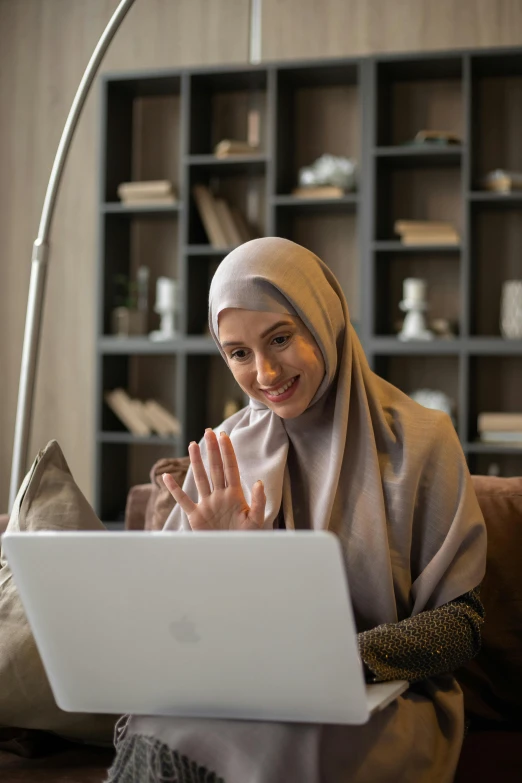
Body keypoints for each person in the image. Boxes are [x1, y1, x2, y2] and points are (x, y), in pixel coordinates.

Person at [107, 237, 486, 783]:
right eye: (238, 352)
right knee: (167, 723)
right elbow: (175, 633)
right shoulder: (227, 452)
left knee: (254, 738)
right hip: (249, 690)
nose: (263, 373)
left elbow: (462, 625)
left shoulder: (421, 441)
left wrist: (329, 661)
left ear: (324, 320)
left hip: (379, 699)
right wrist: (219, 562)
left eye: (280, 338)